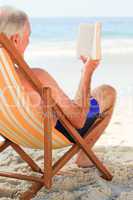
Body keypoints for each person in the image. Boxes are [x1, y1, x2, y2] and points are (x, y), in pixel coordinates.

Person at [0, 6, 116, 167]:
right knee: (107, 92)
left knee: (68, 104)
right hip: (48, 136)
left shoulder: (8, 79)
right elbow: (78, 121)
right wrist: (87, 72)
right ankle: (84, 156)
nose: (29, 41)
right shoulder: (36, 77)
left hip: (13, 132)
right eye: (28, 36)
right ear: (15, 40)